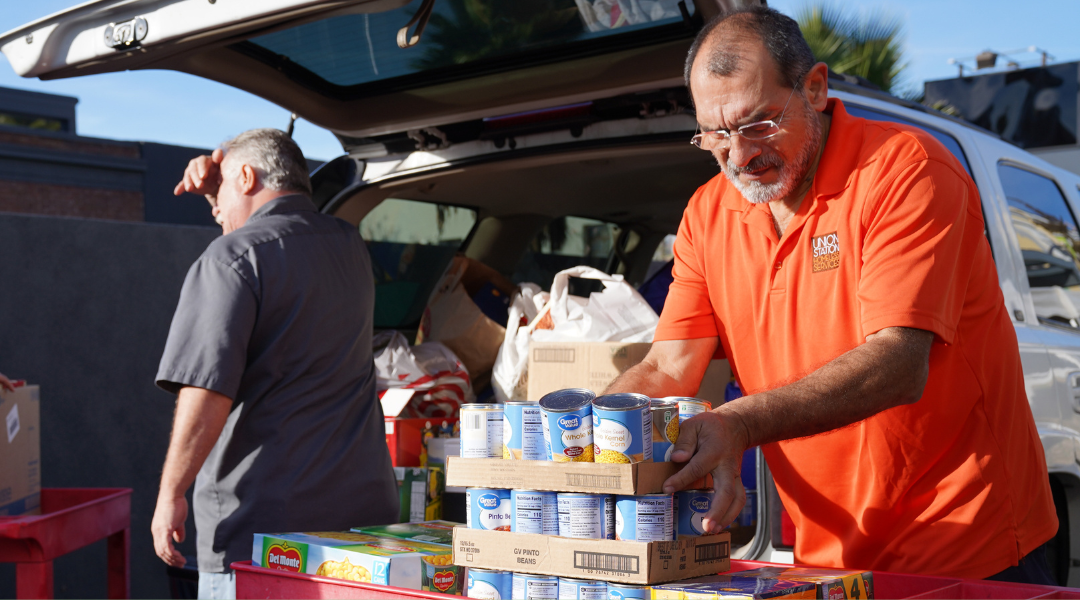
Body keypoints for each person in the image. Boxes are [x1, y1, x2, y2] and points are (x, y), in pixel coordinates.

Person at [605, 7, 1058, 583]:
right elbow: (668, 367)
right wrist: (580, 441)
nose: (738, 156)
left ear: (815, 88)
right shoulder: (708, 212)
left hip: (968, 548)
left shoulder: (905, 170)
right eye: (716, 134)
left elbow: (897, 362)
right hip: (829, 557)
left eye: (758, 124)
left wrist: (739, 423)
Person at [151, 129, 398, 599]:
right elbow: (276, 249)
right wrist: (224, 189)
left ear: (246, 176)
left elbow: (206, 393)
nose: (216, 209)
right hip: (362, 523)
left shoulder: (231, 259)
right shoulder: (349, 246)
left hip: (265, 532)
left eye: (218, 195)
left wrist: (170, 494)